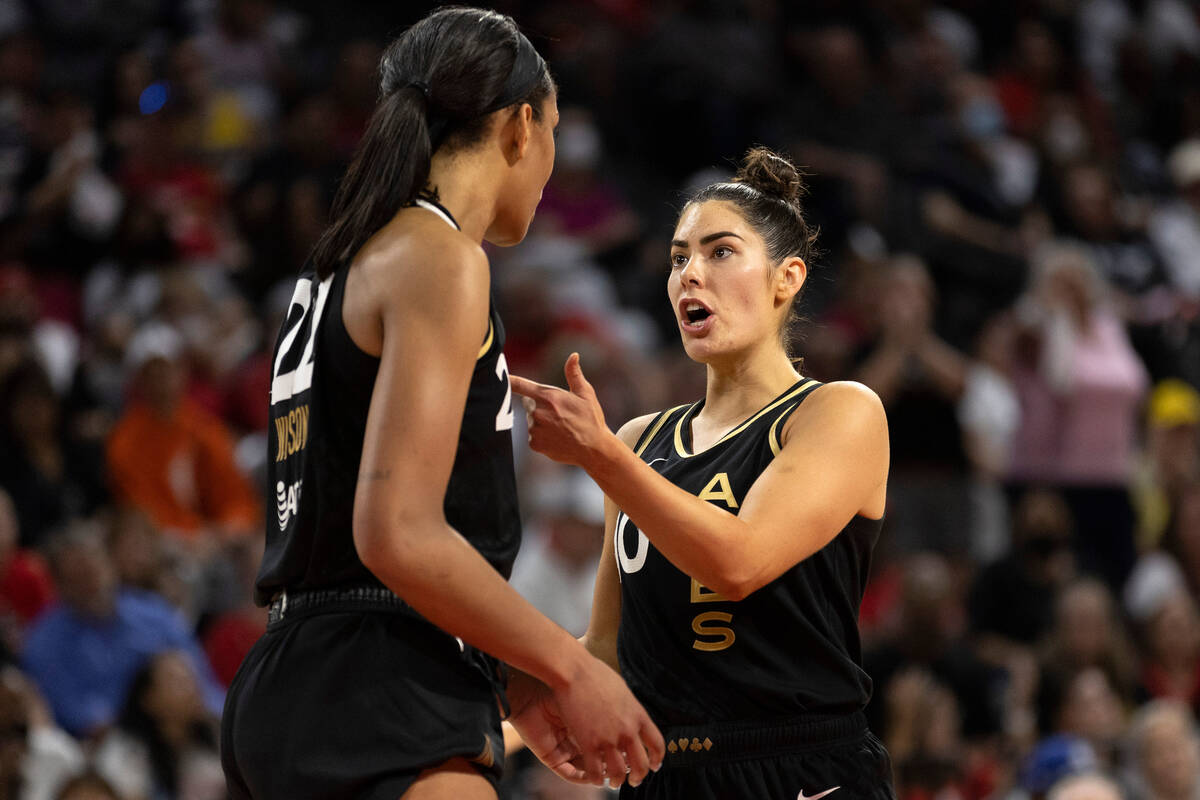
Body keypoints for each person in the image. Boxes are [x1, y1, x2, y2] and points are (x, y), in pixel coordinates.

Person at [220, 8, 663, 800]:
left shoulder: (341, 264)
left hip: (296, 683)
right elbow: (396, 534)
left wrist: (511, 676)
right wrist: (566, 667)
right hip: (381, 684)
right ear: (521, 127)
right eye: (554, 132)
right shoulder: (440, 258)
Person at [512, 147, 895, 797]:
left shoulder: (838, 412)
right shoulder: (639, 440)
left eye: (720, 252)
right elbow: (608, 646)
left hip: (801, 767)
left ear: (787, 278)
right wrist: (481, 715)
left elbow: (738, 564)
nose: (692, 273)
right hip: (666, 776)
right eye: (679, 257)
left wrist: (600, 457)